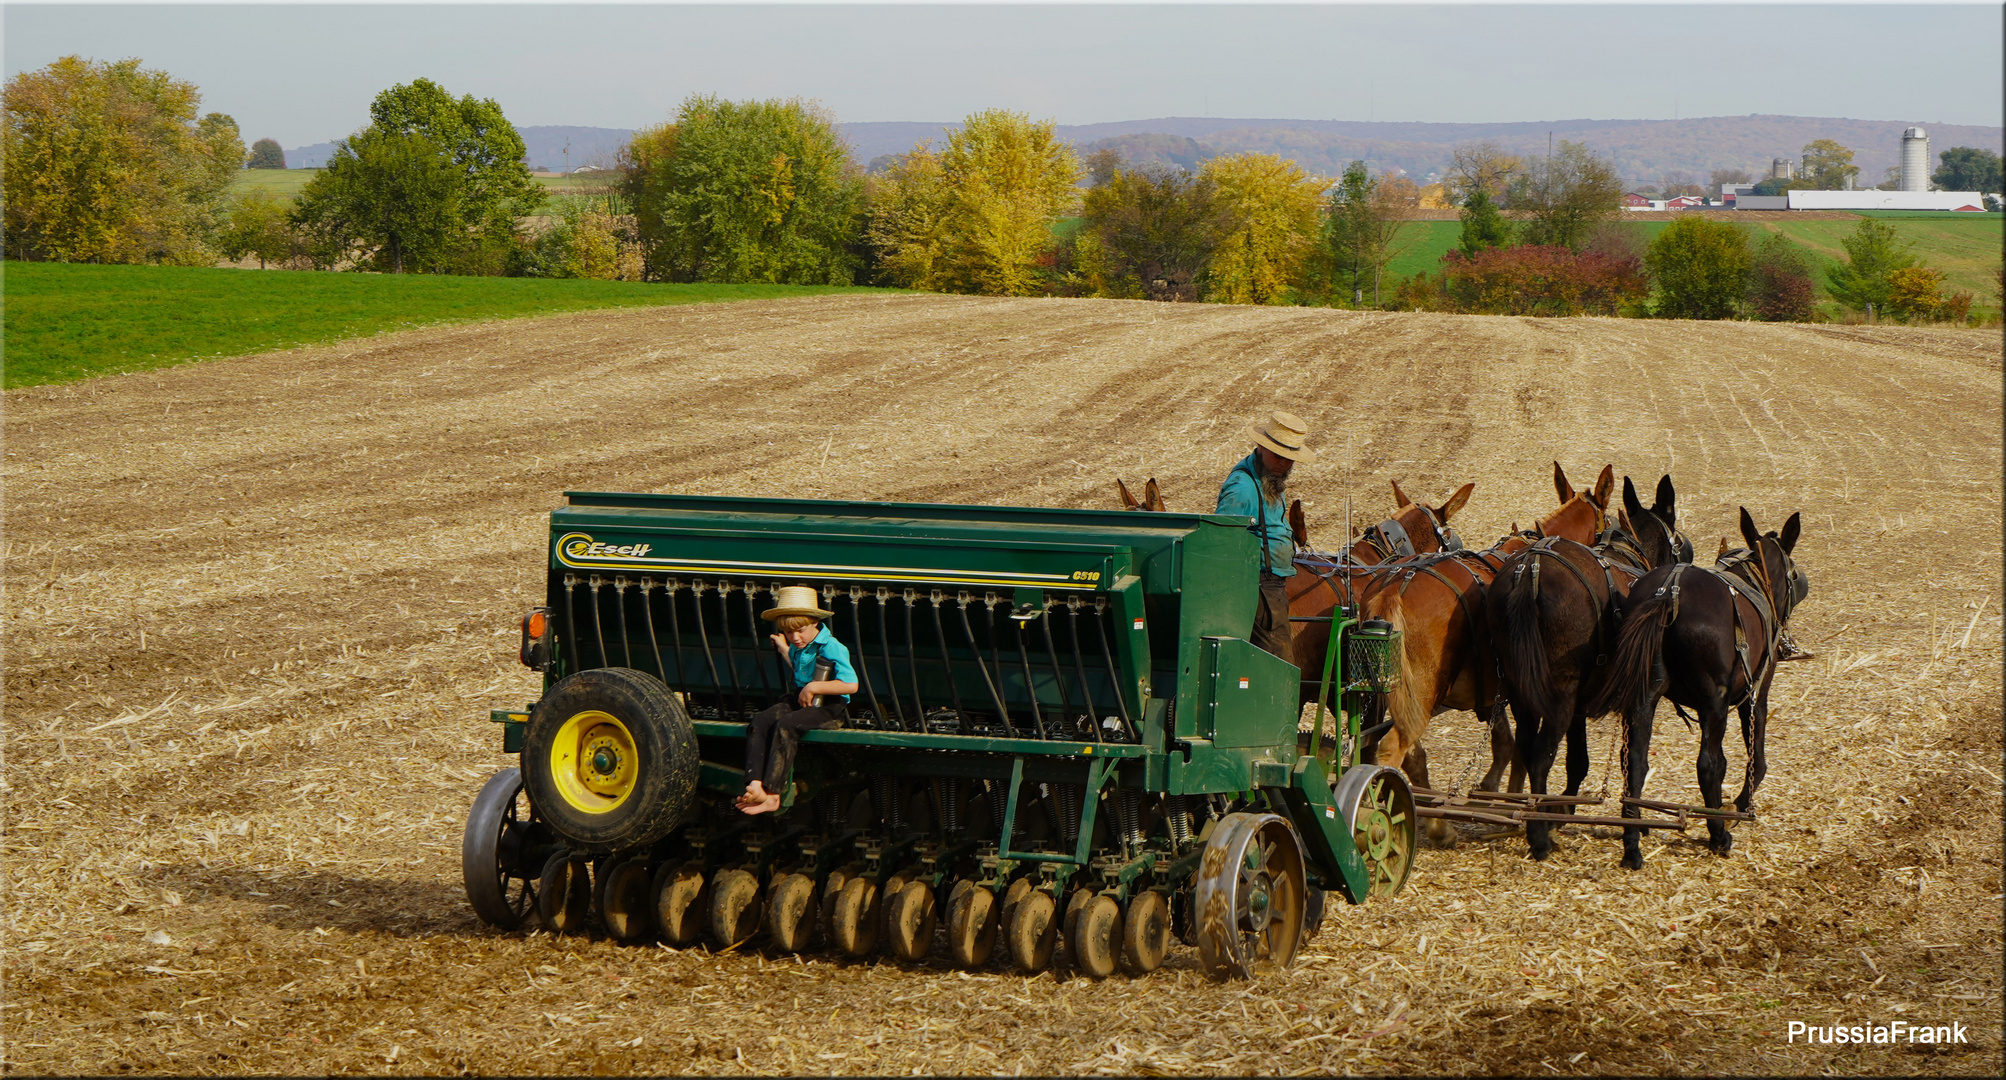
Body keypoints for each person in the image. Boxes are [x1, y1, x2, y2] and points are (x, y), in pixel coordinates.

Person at [737, 585, 860, 816]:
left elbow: (851, 685)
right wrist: (785, 650)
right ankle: (754, 785)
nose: (795, 637)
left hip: (829, 706)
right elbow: (800, 670)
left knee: (786, 726)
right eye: (789, 632)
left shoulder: (832, 646)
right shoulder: (796, 645)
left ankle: (773, 795)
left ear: (814, 622)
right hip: (802, 699)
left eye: (800, 631)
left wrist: (814, 686)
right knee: (760, 721)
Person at [1215, 410, 1315, 662]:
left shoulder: (1269, 478)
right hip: (1258, 589)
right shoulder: (1242, 489)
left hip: (1270, 586)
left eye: (1289, 459)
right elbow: (1223, 543)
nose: (1284, 464)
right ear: (1261, 447)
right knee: (1278, 665)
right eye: (1278, 456)